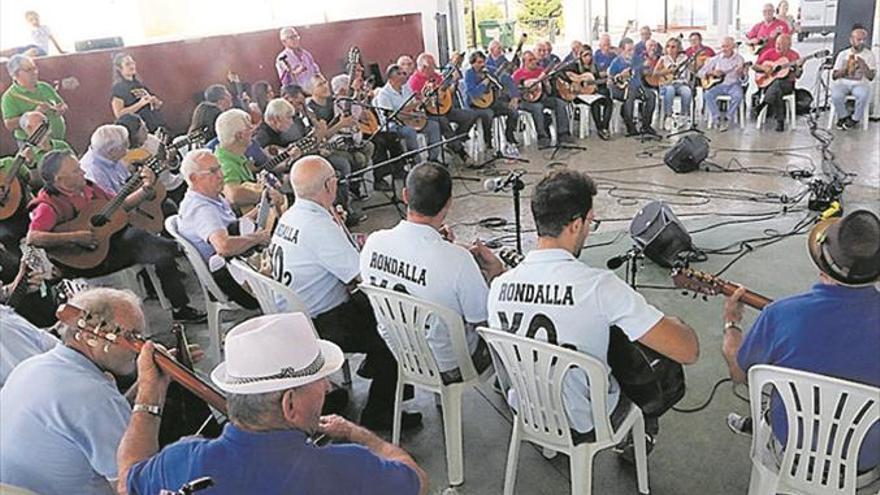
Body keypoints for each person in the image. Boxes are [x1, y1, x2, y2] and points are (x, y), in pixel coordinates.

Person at [487, 168, 699, 459]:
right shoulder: (600, 287)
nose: (588, 229)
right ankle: (637, 435)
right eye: (590, 222)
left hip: (526, 408)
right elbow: (687, 351)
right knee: (638, 357)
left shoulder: (498, 287)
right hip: (586, 421)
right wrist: (679, 323)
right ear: (575, 224)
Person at [117, 312, 428, 495]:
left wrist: (149, 391)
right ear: (289, 405)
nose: (325, 388)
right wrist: (358, 434)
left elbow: (127, 479)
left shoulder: (181, 461)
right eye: (318, 382)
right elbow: (415, 479)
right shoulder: (346, 467)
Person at [722, 210, 880, 477]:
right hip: (863, 468)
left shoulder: (781, 314)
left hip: (791, 456)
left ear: (822, 264)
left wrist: (732, 325)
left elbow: (740, 374)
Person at [269, 156, 421, 429]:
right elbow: (363, 276)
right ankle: (380, 412)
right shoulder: (317, 226)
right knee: (396, 328)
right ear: (329, 185)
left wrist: (338, 226)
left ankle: (375, 370)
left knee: (371, 309)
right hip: (321, 321)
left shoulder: (292, 215)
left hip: (295, 315)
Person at [360, 163, 503, 383]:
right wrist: (494, 273)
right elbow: (485, 320)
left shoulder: (374, 243)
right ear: (449, 203)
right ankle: (510, 393)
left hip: (402, 353)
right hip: (451, 366)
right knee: (509, 328)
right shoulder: (458, 261)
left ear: (405, 195)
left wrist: (445, 247)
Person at [26, 150, 204, 321]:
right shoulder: (47, 205)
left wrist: (146, 189)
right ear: (59, 180)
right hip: (83, 261)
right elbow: (33, 237)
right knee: (140, 239)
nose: (83, 171)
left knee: (152, 249)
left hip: (109, 246)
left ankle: (180, 304)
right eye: (76, 170)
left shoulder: (88, 187)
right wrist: (75, 237)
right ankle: (183, 248)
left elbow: (120, 205)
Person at [0, 288, 145, 495]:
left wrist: (146, 384)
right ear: (90, 336)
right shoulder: (93, 397)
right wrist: (152, 395)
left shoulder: (31, 366)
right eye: (132, 336)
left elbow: (93, 422)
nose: (139, 347)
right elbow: (136, 484)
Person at [176, 149, 267, 309]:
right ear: (193, 178)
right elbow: (224, 246)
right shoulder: (202, 209)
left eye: (219, 168)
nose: (221, 175)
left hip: (237, 264)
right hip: (235, 281)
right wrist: (258, 238)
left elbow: (232, 227)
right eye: (213, 171)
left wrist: (261, 208)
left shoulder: (209, 197)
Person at [408, 52, 476, 162]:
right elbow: (417, 103)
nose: (435, 69)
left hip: (444, 108)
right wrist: (429, 99)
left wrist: (454, 82)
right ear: (424, 67)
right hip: (428, 114)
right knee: (443, 122)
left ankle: (454, 141)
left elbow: (446, 92)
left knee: (469, 116)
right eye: (432, 67)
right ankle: (460, 152)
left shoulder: (435, 76)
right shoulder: (414, 81)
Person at [213, 109, 283, 212]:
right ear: (239, 136)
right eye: (249, 127)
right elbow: (233, 195)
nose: (253, 130)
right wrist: (266, 195)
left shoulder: (236, 155)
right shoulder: (225, 163)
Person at [373, 64, 442, 163]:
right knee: (410, 132)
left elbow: (414, 103)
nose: (404, 76)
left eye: (404, 73)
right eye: (400, 74)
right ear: (392, 78)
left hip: (411, 119)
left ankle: (433, 159)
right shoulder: (384, 94)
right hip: (394, 125)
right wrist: (409, 109)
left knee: (434, 126)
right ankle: (416, 162)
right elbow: (391, 116)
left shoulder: (406, 87)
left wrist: (421, 105)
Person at [512, 50, 574, 146]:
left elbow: (548, 91)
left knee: (560, 103)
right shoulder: (517, 74)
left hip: (542, 98)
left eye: (534, 59)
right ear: (524, 62)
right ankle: (542, 136)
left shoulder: (540, 71)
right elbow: (512, 92)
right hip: (525, 101)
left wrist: (546, 83)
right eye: (530, 60)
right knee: (537, 107)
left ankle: (563, 133)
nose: (533, 62)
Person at [1, 54, 68, 142]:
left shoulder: (44, 86)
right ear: (16, 75)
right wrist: (36, 114)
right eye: (29, 70)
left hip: (58, 140)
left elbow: (62, 104)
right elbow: (9, 125)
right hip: (34, 144)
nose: (34, 72)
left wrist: (61, 108)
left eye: (35, 68)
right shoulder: (9, 97)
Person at [464, 51, 519, 155]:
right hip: (475, 105)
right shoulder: (469, 74)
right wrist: (484, 84)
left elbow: (508, 80)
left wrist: (515, 97)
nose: (482, 65)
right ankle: (487, 141)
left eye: (483, 62)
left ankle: (509, 135)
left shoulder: (489, 71)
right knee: (488, 114)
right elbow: (473, 93)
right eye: (479, 62)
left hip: (491, 102)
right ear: (472, 63)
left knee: (513, 111)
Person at [608, 38, 658, 137]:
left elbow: (645, 71)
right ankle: (630, 126)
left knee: (651, 95)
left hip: (637, 88)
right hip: (620, 89)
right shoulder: (616, 62)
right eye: (629, 50)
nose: (632, 52)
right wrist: (620, 77)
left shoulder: (637, 59)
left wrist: (648, 65)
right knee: (629, 93)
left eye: (633, 49)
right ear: (622, 50)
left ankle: (646, 125)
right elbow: (610, 79)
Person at [830, 26, 876, 130]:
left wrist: (863, 65)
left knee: (863, 94)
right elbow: (834, 76)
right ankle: (843, 116)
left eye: (864, 39)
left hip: (860, 84)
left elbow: (871, 77)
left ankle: (855, 119)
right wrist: (844, 69)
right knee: (836, 95)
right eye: (859, 39)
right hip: (843, 83)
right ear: (851, 40)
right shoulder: (843, 54)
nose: (862, 42)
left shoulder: (869, 55)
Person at [752, 33, 800, 132]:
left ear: (789, 45)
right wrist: (764, 68)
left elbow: (798, 75)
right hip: (768, 83)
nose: (777, 46)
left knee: (778, 84)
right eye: (777, 43)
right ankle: (780, 121)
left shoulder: (794, 56)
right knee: (777, 87)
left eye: (781, 44)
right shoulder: (769, 52)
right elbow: (754, 66)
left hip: (788, 83)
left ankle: (763, 104)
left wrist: (798, 68)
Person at [564, 45, 613, 140]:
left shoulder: (594, 67)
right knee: (596, 103)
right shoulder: (575, 65)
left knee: (608, 102)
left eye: (590, 55)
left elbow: (598, 81)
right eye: (585, 55)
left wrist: (604, 82)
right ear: (580, 56)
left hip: (592, 94)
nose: (588, 58)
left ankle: (604, 127)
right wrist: (576, 81)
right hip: (579, 96)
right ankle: (600, 128)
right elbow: (564, 74)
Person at [698, 37, 747, 131]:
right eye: (723, 46)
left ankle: (728, 117)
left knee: (738, 96)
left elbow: (744, 80)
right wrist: (712, 73)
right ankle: (716, 117)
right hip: (718, 85)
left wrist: (742, 73)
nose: (724, 49)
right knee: (708, 95)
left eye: (727, 46)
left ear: (733, 47)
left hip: (733, 84)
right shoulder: (716, 59)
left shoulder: (739, 59)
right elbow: (700, 73)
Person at [110, 53, 165, 132]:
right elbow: (119, 114)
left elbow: (155, 106)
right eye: (127, 64)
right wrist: (140, 104)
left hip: (153, 126)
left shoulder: (139, 84)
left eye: (132, 63)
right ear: (119, 68)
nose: (132, 66)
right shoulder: (118, 88)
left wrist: (155, 102)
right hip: (137, 131)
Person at [18, 110, 73, 185]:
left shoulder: (62, 146)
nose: (46, 125)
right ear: (28, 129)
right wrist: (30, 164)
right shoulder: (23, 154)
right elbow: (27, 182)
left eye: (45, 121)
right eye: (40, 123)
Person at [655, 37, 692, 129]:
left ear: (678, 48)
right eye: (668, 46)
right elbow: (655, 73)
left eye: (673, 47)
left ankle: (683, 116)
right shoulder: (663, 59)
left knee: (687, 91)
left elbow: (692, 70)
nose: (670, 49)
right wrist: (668, 71)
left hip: (681, 83)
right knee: (670, 90)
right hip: (667, 84)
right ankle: (668, 116)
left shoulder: (684, 58)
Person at [276, 27, 321, 92]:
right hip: (298, 94)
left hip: (315, 90)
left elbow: (316, 71)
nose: (295, 39)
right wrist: (296, 72)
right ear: (284, 42)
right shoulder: (282, 58)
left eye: (296, 36)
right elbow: (286, 80)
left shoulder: (306, 54)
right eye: (291, 38)